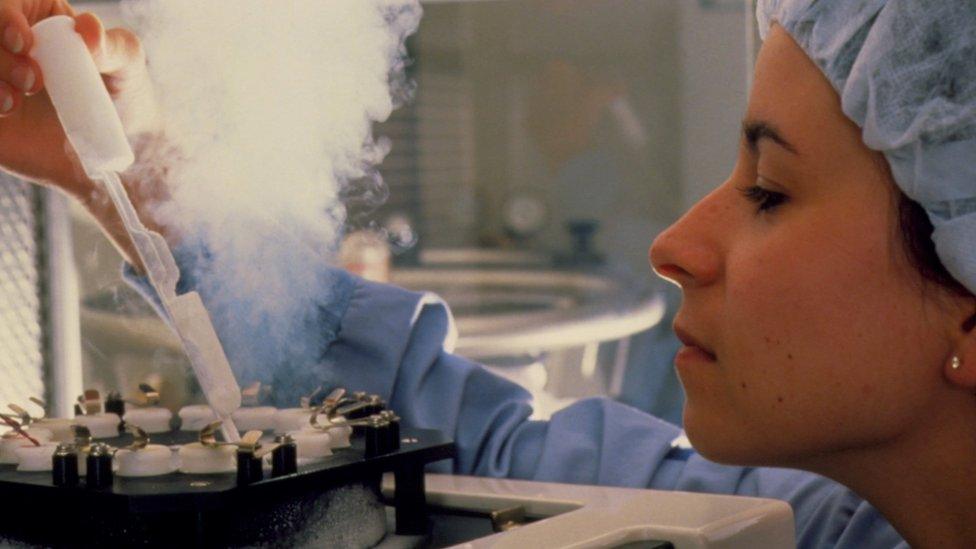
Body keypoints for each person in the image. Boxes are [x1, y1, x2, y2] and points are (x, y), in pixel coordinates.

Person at [4, 0, 974, 546]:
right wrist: (140, 175)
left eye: (767, 190)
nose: (673, 247)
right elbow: (454, 449)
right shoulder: (816, 529)